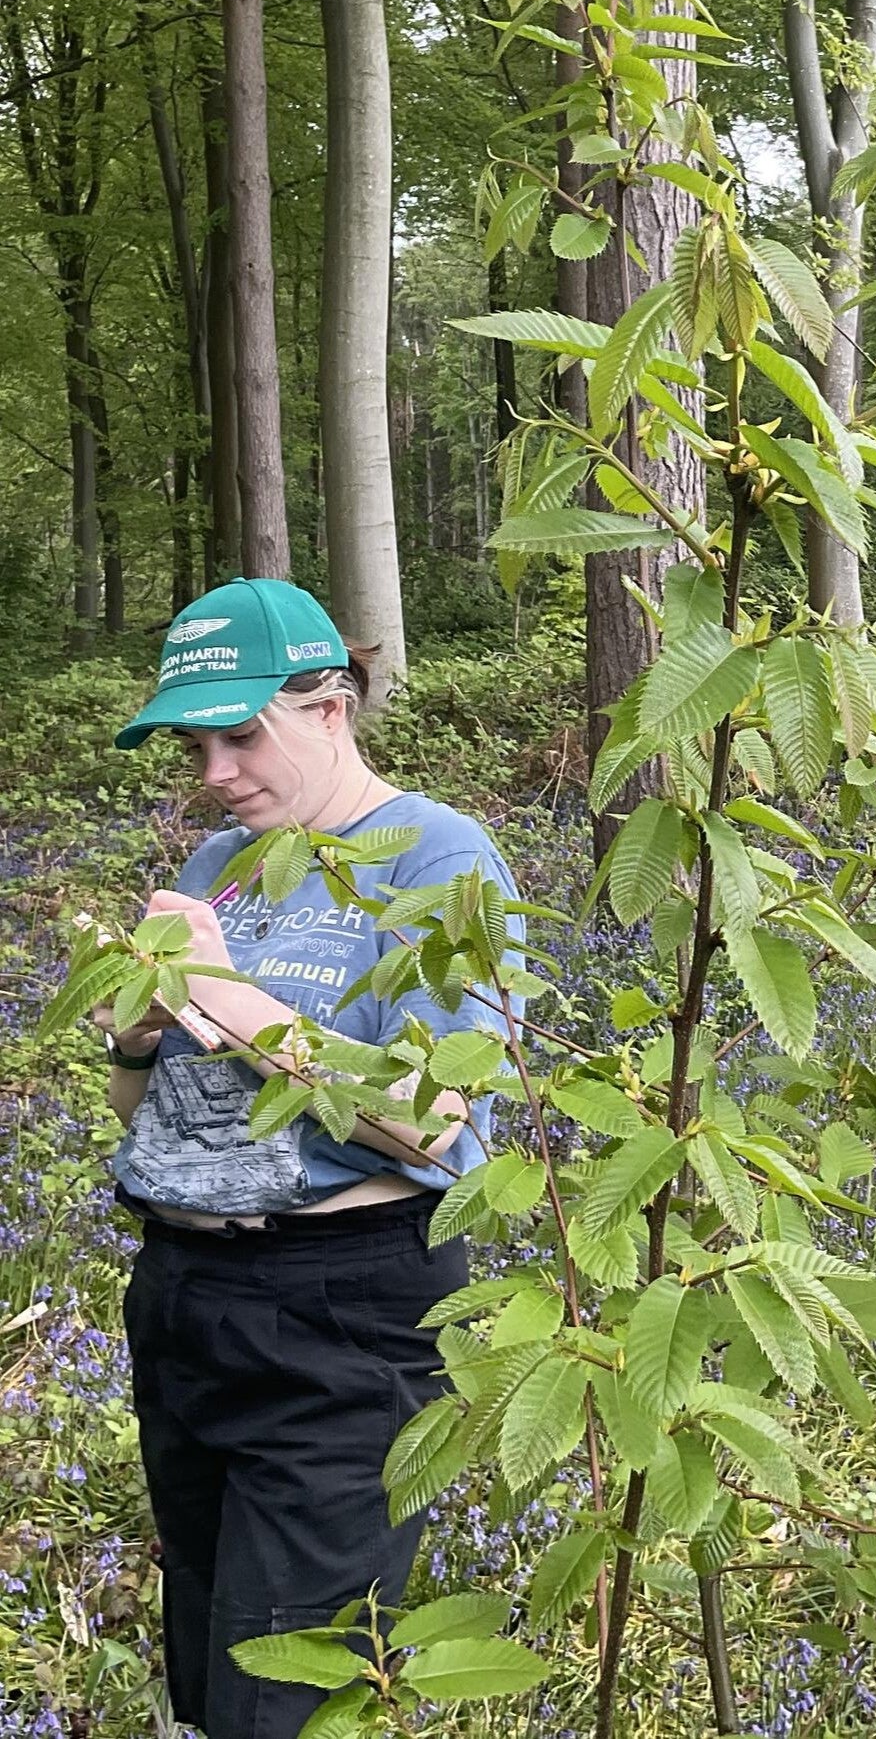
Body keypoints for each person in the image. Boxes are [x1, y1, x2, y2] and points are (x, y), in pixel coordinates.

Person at [100, 577, 519, 1739]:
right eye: (198, 743)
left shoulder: (437, 856)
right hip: (184, 1297)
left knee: (280, 1700)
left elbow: (435, 1115)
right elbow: (147, 1110)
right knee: (206, 1668)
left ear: (331, 705)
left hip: (343, 1311)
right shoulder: (218, 865)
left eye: (242, 735)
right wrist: (136, 1036)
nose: (214, 773)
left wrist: (224, 996)